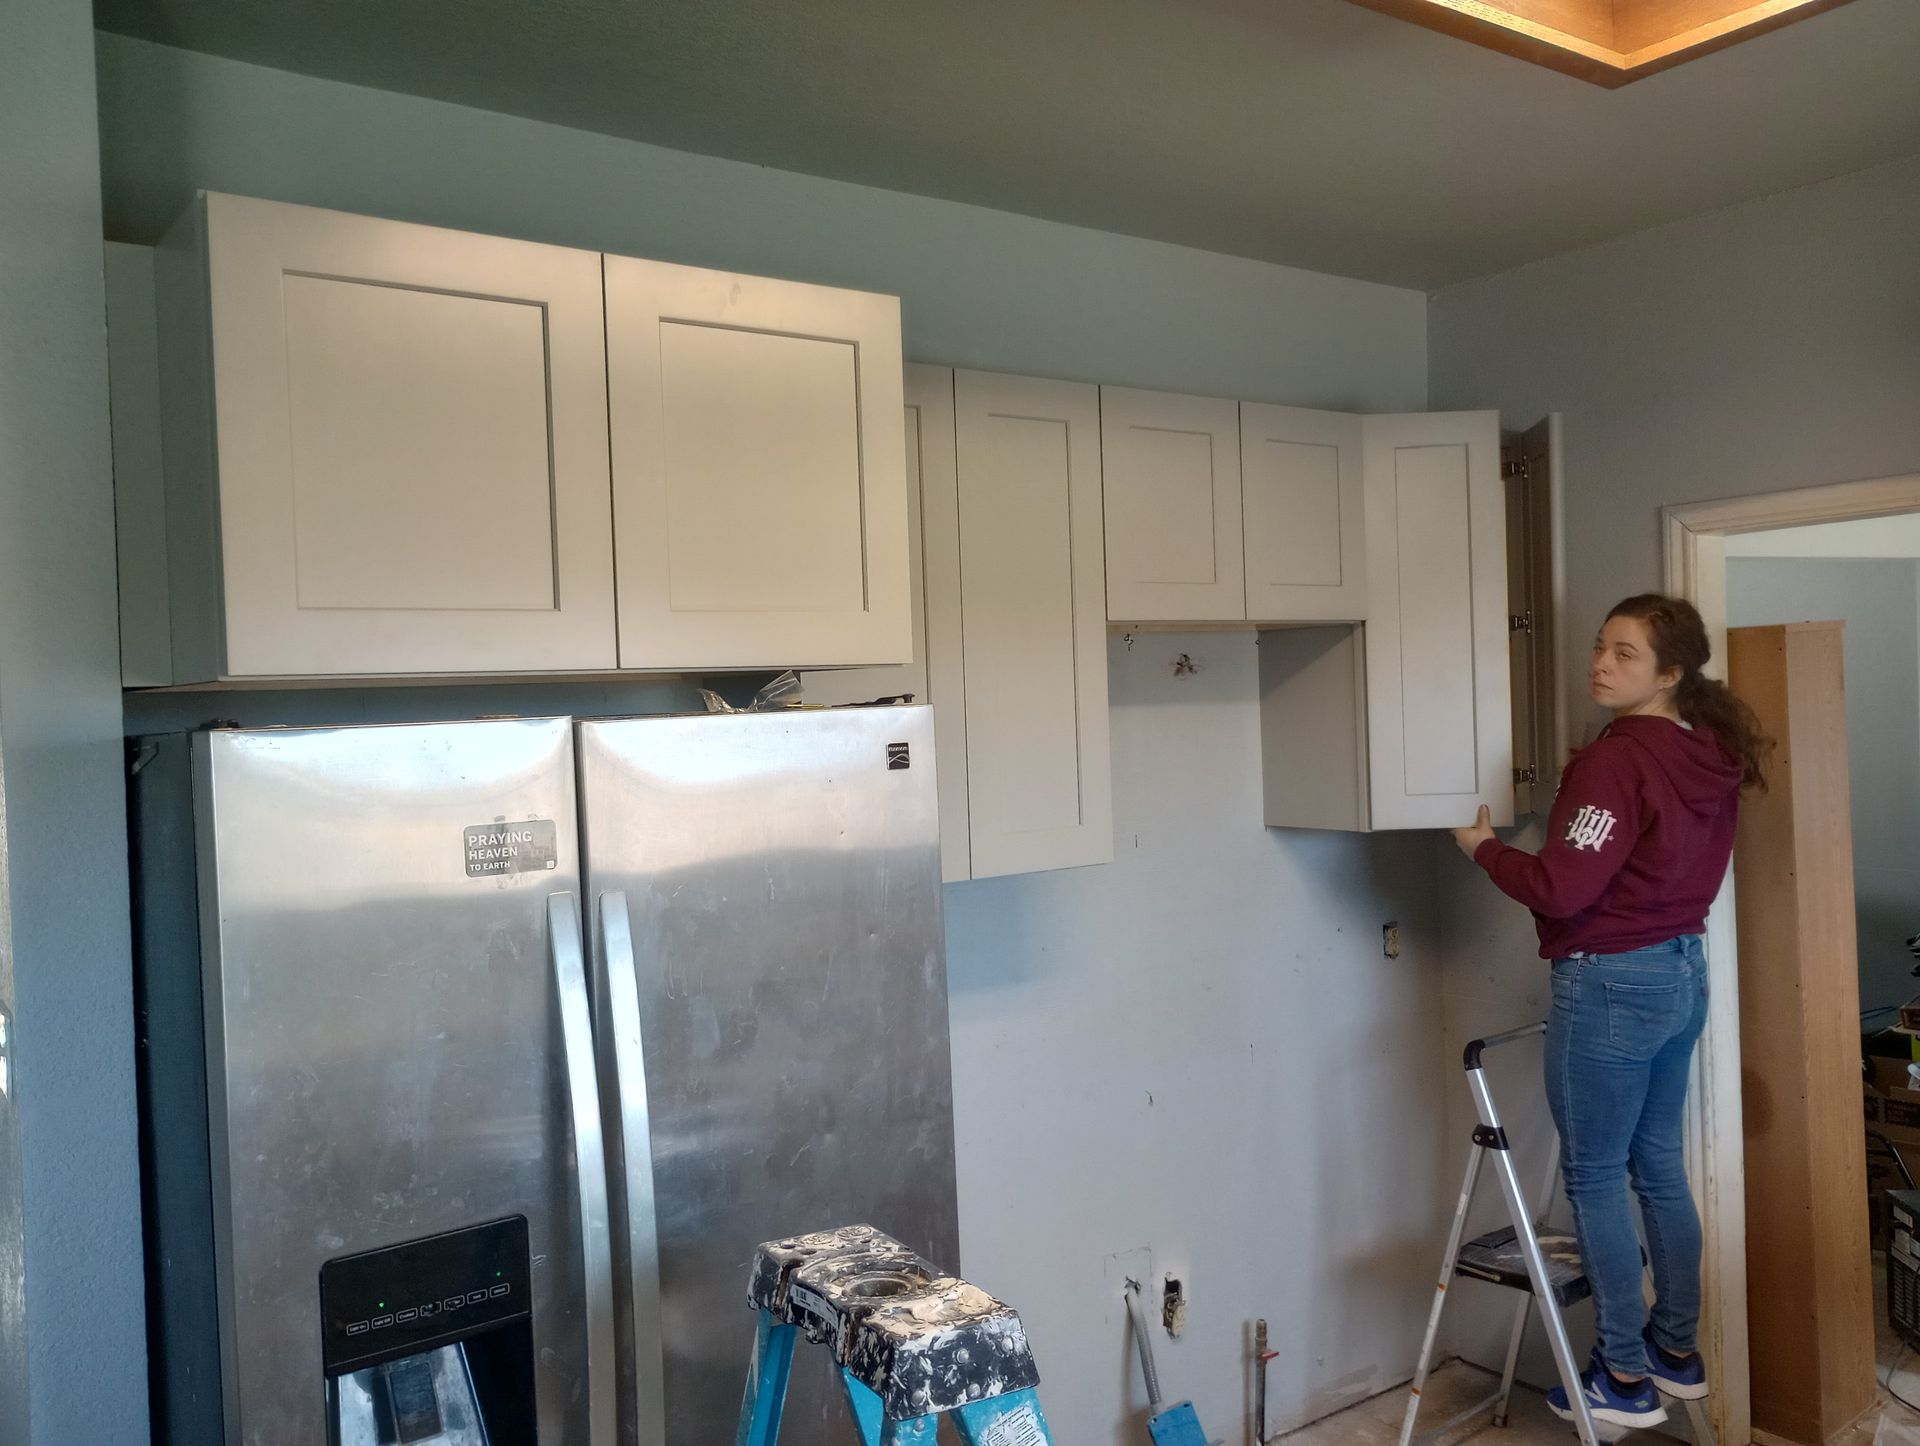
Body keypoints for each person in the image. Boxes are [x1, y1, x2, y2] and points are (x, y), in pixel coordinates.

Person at [1452, 593, 1770, 1431]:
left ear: (1668, 672)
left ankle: (1622, 1374)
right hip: (1680, 973)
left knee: (1596, 1176)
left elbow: (1562, 884)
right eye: (1601, 647)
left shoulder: (1615, 762)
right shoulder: (1706, 749)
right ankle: (1674, 1351)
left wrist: (1484, 849)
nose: (1601, 664)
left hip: (1610, 982)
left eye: (1624, 654)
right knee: (1656, 1167)